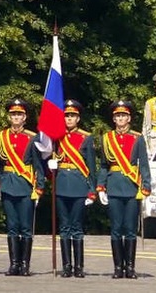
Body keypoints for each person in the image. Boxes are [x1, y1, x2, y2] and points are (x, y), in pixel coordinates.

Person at [97, 100, 151, 279]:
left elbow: (143, 164)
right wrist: (101, 187)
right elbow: (104, 166)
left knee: (129, 229)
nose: (120, 118)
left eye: (123, 115)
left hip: (131, 187)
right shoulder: (107, 138)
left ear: (129, 118)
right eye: (117, 116)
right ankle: (118, 267)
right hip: (114, 187)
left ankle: (130, 267)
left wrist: (146, 186)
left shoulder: (137, 138)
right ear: (114, 119)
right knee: (116, 229)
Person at [0, 98, 44, 277]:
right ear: (9, 117)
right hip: (8, 184)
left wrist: (39, 188)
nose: (16, 117)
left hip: (26, 186)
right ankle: (13, 264)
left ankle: (25, 264)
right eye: (13, 114)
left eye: (19, 114)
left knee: (25, 227)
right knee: (12, 226)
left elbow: (38, 166)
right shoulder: (1, 137)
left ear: (25, 117)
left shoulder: (32, 138)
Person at [52, 99, 96, 278]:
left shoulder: (86, 138)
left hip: (79, 186)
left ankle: (79, 266)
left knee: (76, 227)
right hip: (61, 185)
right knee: (64, 227)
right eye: (66, 116)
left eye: (72, 116)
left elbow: (91, 166)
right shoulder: (56, 137)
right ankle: (66, 266)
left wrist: (92, 190)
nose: (69, 119)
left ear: (78, 118)